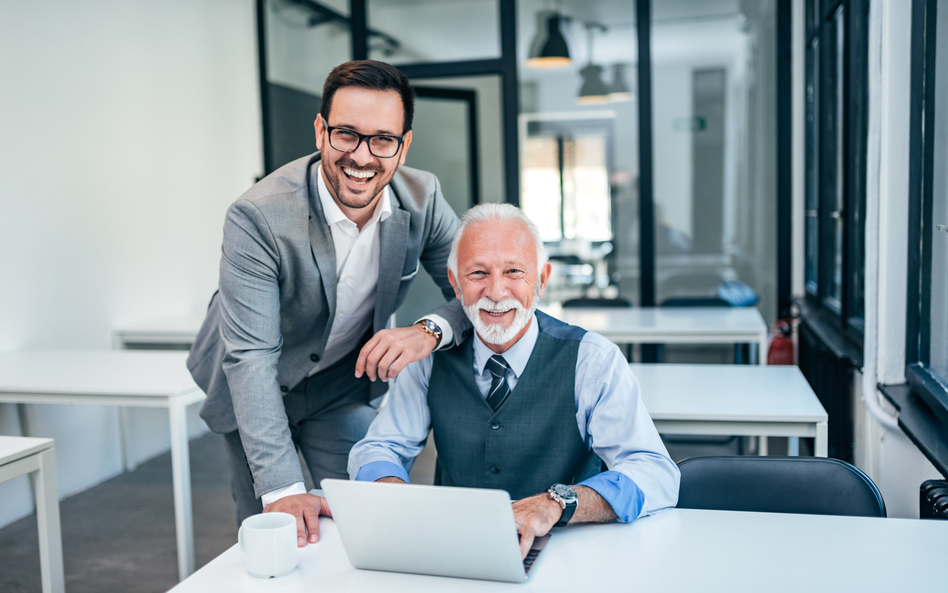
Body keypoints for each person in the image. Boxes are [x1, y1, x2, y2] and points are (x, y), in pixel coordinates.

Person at [186, 60, 470, 547]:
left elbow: (475, 292)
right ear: (320, 131)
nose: (362, 156)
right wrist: (281, 490)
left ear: (403, 146)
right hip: (253, 382)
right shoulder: (258, 216)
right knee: (273, 532)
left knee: (368, 517)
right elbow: (251, 357)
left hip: (340, 384)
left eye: (383, 139)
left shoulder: (422, 199)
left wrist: (427, 330)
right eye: (346, 134)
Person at [346, 203, 680, 558]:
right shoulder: (428, 360)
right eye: (477, 273)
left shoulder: (593, 360)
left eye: (513, 271)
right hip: (457, 551)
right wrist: (389, 488)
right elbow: (379, 447)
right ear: (455, 284)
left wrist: (556, 503)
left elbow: (655, 473)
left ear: (542, 279)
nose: (496, 291)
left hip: (570, 555)